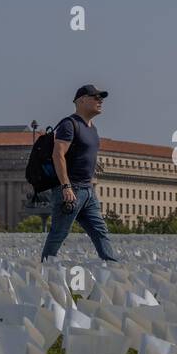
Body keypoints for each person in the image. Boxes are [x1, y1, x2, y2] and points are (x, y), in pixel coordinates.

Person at [40, 85, 120, 263]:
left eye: (101, 98)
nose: (100, 101)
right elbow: (57, 154)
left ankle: (113, 269)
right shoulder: (69, 124)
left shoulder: (92, 128)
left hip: (88, 190)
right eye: (96, 97)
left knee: (100, 231)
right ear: (81, 100)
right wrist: (66, 186)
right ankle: (44, 271)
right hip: (71, 190)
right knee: (59, 233)